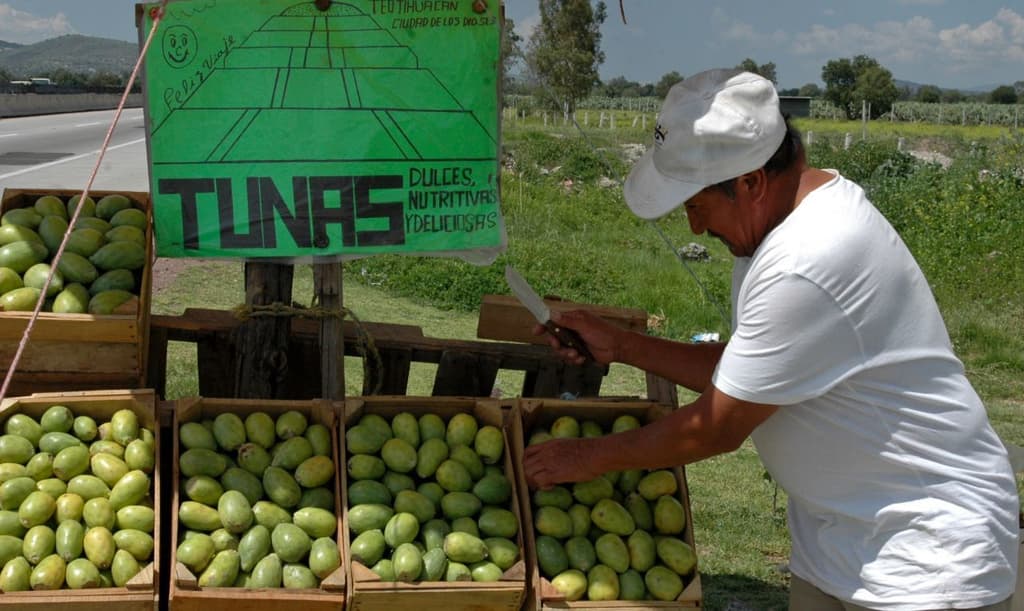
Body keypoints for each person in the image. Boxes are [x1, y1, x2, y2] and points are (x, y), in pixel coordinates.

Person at [522, 68, 1019, 611]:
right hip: (842, 546)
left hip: (926, 559)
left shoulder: (808, 259)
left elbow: (718, 425)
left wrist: (585, 458)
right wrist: (622, 345)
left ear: (751, 183)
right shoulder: (779, 225)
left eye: (695, 206)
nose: (693, 229)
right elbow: (752, 372)